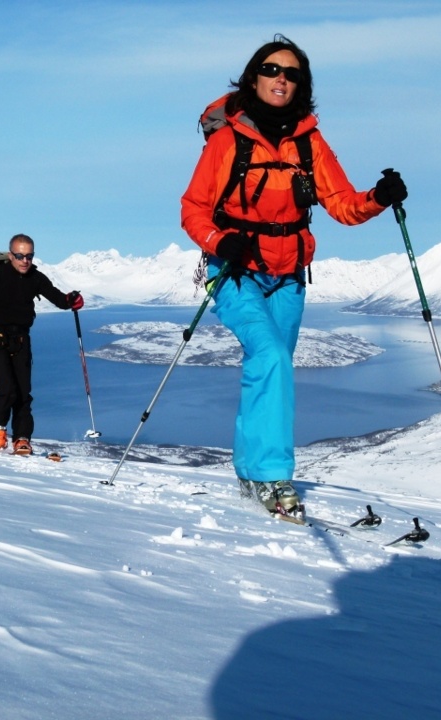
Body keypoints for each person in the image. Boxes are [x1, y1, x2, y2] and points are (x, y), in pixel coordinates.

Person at [180, 34, 407, 517]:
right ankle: (272, 477)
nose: (280, 78)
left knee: (270, 367)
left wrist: (379, 197)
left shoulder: (311, 142)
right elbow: (194, 208)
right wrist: (222, 242)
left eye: (292, 73)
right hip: (236, 271)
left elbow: (343, 205)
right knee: (272, 358)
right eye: (270, 69)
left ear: (301, 84)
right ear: (253, 77)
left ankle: (249, 472)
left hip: (288, 277)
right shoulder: (227, 141)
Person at [0, 234, 84, 454]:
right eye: (20, 255)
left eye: (29, 256)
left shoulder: (35, 277)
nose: (25, 261)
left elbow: (58, 299)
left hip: (21, 338)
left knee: (23, 391)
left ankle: (22, 438)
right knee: (7, 387)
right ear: (11, 255)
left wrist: (71, 300)